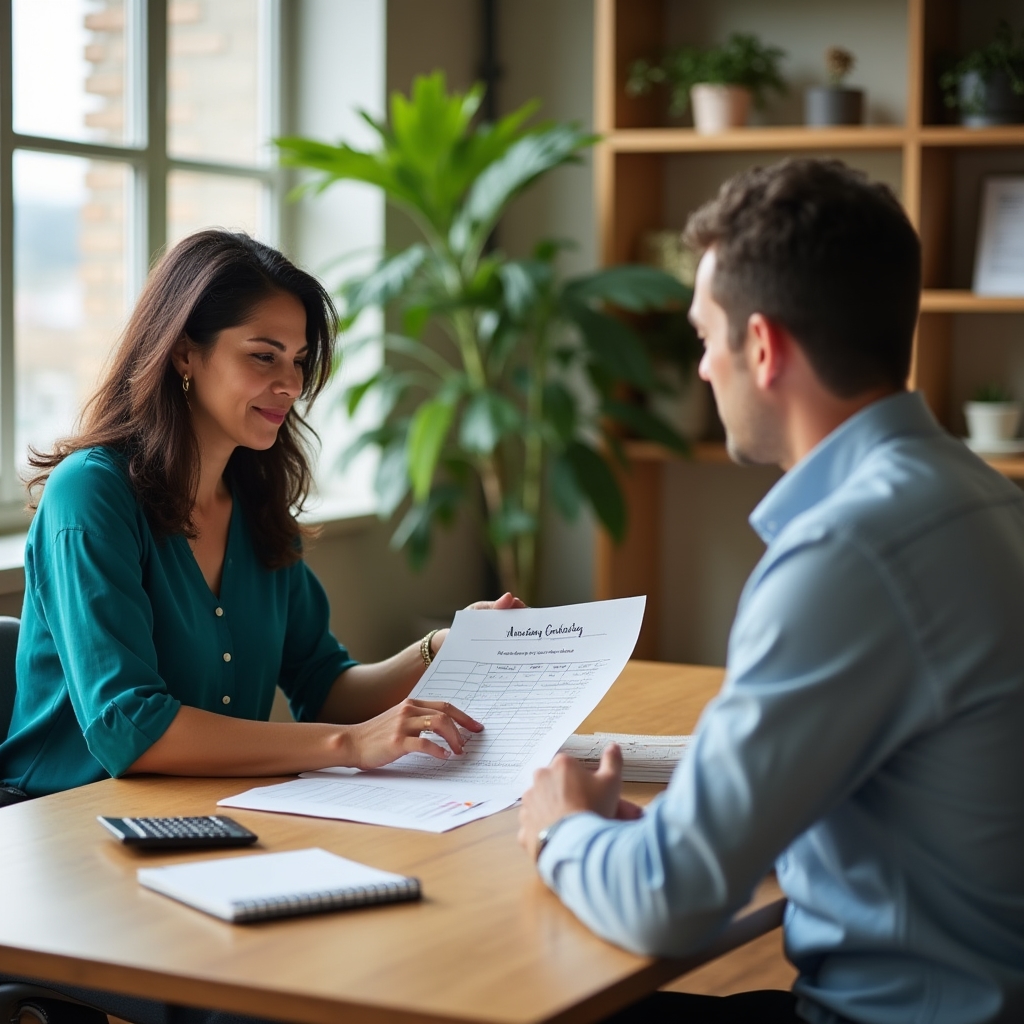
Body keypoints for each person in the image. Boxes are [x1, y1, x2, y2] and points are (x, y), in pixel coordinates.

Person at [518, 159, 1024, 1024]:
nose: (704, 368)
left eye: (706, 337)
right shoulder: (982, 496)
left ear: (763, 347)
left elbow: (668, 903)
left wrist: (563, 829)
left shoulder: (848, 552)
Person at [0, 229, 521, 805]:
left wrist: (442, 646)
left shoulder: (255, 503)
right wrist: (348, 745)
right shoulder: (91, 493)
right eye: (262, 356)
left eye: (298, 361)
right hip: (63, 822)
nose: (292, 384)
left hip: (214, 814)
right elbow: (129, 726)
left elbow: (322, 684)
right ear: (183, 353)